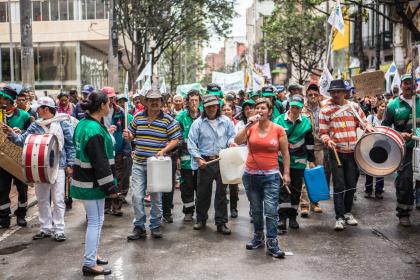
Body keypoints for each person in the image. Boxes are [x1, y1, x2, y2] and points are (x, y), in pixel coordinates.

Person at [4, 97, 75, 241]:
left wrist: (70, 165)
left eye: (39, 108)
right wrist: (11, 133)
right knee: (42, 199)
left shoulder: (63, 123)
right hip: (39, 167)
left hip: (59, 166)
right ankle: (45, 228)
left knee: (58, 199)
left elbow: (70, 145)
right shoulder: (35, 125)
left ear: (46, 109)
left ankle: (59, 230)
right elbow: (22, 140)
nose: (37, 111)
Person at [234, 97, 290, 258]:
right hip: (251, 176)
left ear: (270, 111)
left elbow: (285, 154)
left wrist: (286, 173)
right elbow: (237, 141)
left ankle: (272, 242)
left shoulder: (278, 129)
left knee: (271, 210)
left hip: (271, 176)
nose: (259, 111)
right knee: (256, 210)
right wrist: (248, 125)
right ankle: (258, 237)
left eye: (263, 108)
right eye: (257, 108)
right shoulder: (251, 128)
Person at [70, 91, 118, 276]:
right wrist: (111, 189)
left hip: (85, 180)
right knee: (96, 221)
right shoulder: (94, 129)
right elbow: (100, 163)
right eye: (108, 103)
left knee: (97, 220)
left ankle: (93, 254)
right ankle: (90, 262)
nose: (110, 106)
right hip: (92, 183)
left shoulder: (83, 124)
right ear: (101, 106)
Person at [124, 89, 180, 240]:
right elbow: (131, 135)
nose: (155, 102)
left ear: (162, 102)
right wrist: (128, 136)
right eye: (151, 100)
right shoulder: (137, 118)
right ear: (146, 102)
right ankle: (139, 226)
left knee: (156, 197)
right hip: (139, 163)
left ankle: (155, 225)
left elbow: (175, 139)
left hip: (157, 164)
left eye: (158, 100)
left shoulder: (168, 120)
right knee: (136, 196)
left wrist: (163, 150)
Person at [319, 79, 373, 231]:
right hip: (335, 152)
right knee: (339, 185)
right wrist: (328, 140)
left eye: (339, 91)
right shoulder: (325, 110)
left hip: (352, 153)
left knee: (351, 185)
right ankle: (339, 217)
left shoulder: (354, 107)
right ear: (330, 93)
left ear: (345, 93)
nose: (336, 94)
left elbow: (364, 122)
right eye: (333, 92)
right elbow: (322, 133)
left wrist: (368, 127)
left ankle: (348, 213)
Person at [188, 94, 236, 234]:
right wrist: (198, 159)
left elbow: (231, 136)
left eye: (214, 106)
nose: (211, 108)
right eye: (208, 106)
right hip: (205, 161)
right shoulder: (198, 123)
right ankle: (201, 219)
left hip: (222, 159)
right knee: (203, 193)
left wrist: (231, 143)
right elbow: (191, 143)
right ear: (204, 107)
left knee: (222, 193)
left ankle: (221, 222)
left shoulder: (226, 121)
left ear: (218, 106)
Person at [382, 74, 420, 226]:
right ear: (401, 86)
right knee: (404, 180)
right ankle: (403, 212)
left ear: (415, 85)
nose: (408, 86)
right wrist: (400, 135)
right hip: (405, 149)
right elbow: (385, 128)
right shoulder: (392, 106)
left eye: (410, 83)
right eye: (405, 83)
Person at [275, 95, 315, 233]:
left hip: (299, 162)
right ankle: (282, 218)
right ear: (289, 106)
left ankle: (293, 217)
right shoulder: (279, 120)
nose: (294, 109)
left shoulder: (306, 123)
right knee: (283, 189)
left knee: (296, 190)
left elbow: (310, 144)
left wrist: (311, 160)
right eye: (292, 106)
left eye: (297, 106)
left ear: (301, 108)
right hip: (281, 160)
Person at [0, 85, 31, 229]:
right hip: (2, 158)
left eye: (3, 98)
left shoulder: (24, 116)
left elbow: (32, 135)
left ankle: (21, 214)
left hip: (19, 157)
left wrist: (20, 131)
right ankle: (4, 218)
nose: (1, 101)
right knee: (2, 190)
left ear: (9, 100)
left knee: (22, 189)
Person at [101, 87, 132, 216]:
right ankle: (105, 205)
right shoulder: (97, 113)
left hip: (118, 151)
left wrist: (126, 151)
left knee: (118, 179)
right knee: (104, 179)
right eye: (108, 97)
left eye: (113, 97)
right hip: (103, 151)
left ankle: (117, 206)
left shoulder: (120, 112)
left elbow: (126, 133)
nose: (111, 100)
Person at [299, 82, 324, 216]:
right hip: (305, 148)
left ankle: (315, 203)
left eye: (315, 94)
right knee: (305, 175)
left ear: (319, 95)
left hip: (320, 147)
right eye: (310, 94)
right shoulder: (301, 110)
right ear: (307, 95)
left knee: (317, 175)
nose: (313, 96)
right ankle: (304, 205)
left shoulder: (324, 109)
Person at [177, 89, 201, 221]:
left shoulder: (204, 116)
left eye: (196, 100)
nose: (193, 103)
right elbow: (177, 138)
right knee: (186, 186)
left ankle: (201, 211)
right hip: (185, 158)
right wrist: (178, 157)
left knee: (200, 186)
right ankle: (188, 211)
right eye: (191, 100)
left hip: (200, 158)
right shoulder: (181, 117)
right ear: (187, 101)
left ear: (199, 102)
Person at [364, 100, 386, 199]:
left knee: (380, 170)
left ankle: (379, 190)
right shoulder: (370, 117)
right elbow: (365, 129)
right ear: (377, 107)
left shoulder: (387, 120)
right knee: (369, 169)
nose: (383, 108)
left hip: (382, 147)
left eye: (385, 106)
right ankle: (368, 190)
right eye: (382, 106)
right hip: (370, 146)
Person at [222, 101, 239, 218]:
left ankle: (233, 208)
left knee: (233, 185)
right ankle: (223, 208)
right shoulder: (219, 123)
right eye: (225, 109)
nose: (226, 111)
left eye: (229, 109)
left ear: (233, 111)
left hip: (234, 157)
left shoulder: (238, 124)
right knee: (222, 185)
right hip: (222, 157)